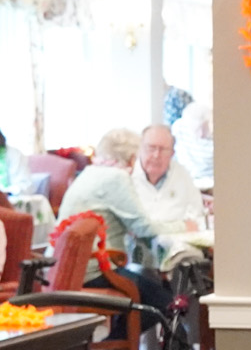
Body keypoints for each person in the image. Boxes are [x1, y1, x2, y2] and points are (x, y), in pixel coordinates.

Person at [56, 127, 175, 333]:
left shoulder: (90, 173)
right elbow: (145, 228)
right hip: (93, 270)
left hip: (67, 270)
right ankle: (112, 346)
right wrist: (184, 226)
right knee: (164, 301)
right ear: (131, 158)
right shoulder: (115, 178)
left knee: (150, 288)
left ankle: (113, 348)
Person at [173, 100, 213, 188]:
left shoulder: (217, 137)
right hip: (185, 180)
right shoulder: (178, 128)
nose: (201, 134)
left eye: (204, 128)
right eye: (196, 130)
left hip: (211, 182)